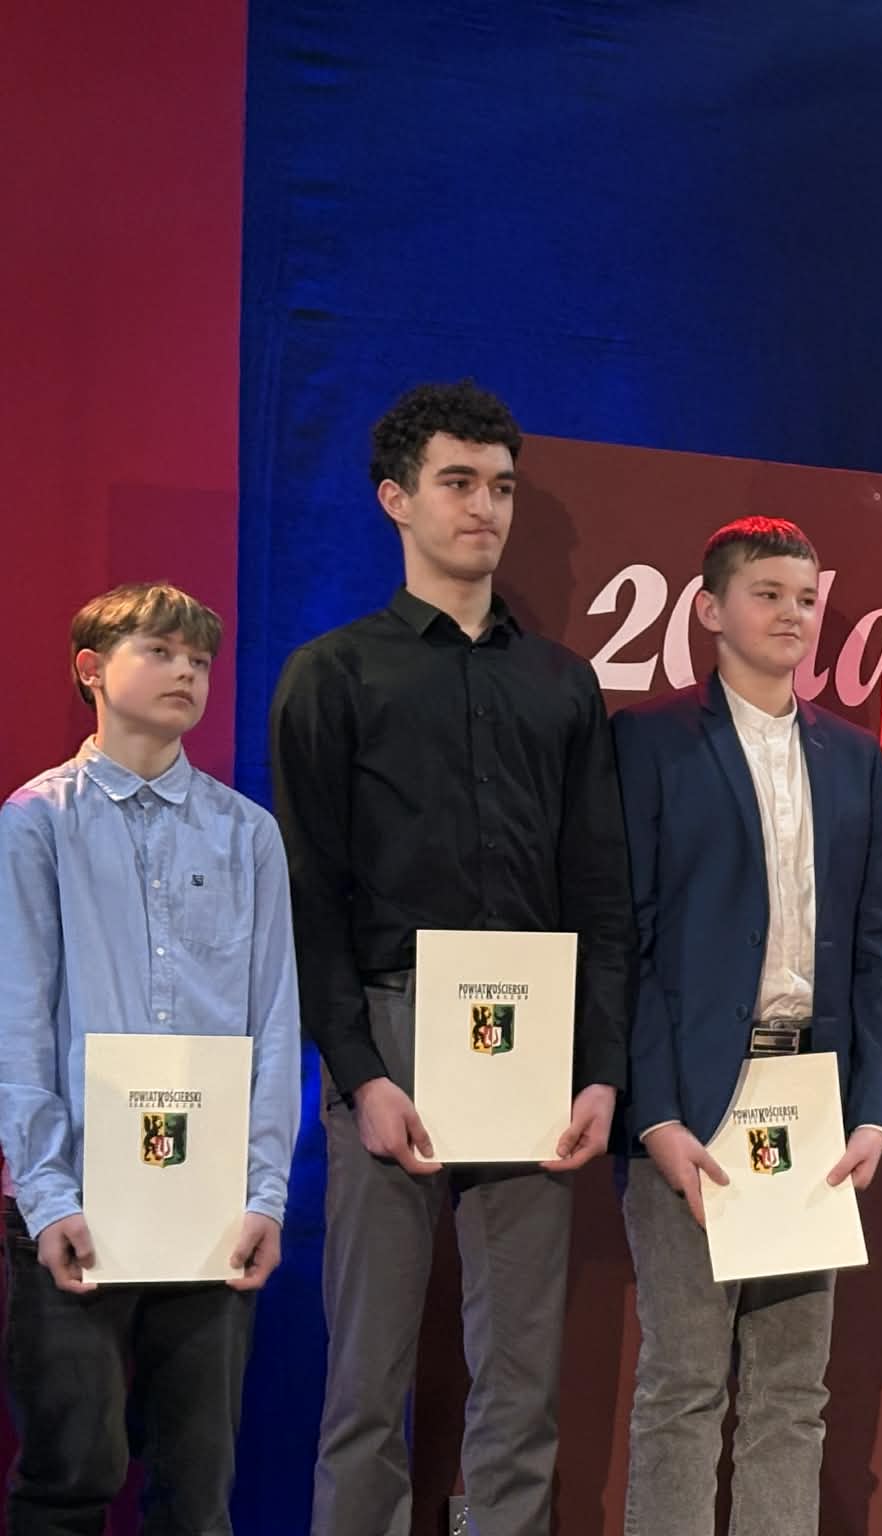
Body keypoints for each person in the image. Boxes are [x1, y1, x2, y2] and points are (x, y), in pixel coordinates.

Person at [268, 381, 635, 1536]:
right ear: (396, 498)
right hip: (388, 1032)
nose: (485, 507)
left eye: (502, 487)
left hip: (533, 1043)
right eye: (458, 483)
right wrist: (359, 1074)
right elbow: (308, 894)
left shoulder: (561, 684)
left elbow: (599, 893)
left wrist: (599, 1071)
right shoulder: (333, 673)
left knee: (521, 1381)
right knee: (364, 1383)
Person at [612, 516, 882, 1536]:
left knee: (792, 1392)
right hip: (695, 1103)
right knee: (683, 1385)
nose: (793, 614)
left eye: (805, 598)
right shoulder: (651, 742)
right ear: (710, 610)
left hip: (810, 1100)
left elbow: (877, 950)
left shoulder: (854, 759)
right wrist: (653, 1115)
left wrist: (874, 1112)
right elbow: (628, 943)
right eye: (768, 594)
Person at [0, 583, 300, 1534]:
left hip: (207, 1202)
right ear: (91, 670)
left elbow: (274, 1022)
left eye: (201, 661)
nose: (187, 673)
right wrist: (46, 1194)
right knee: (72, 1470)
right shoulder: (37, 820)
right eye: (162, 652)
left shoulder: (247, 833)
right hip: (78, 1193)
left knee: (197, 1487)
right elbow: (18, 1017)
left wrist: (264, 1194)